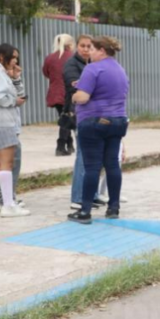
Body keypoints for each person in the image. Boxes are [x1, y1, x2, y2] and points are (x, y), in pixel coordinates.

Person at [68, 36, 130, 225]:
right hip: (118, 121)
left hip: (94, 122)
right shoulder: (120, 70)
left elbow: (84, 97)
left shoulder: (92, 68)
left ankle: (85, 211)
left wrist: (74, 96)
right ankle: (113, 208)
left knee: (92, 167)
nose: (89, 52)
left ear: (102, 50)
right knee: (112, 165)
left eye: (92, 49)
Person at [0, 44, 30, 218]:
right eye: (13, 56)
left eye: (17, 57)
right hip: (1, 122)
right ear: (2, 56)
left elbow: (19, 94)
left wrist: (16, 78)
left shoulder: (0, 71)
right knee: (7, 163)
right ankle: (8, 205)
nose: (15, 60)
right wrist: (12, 101)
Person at [64, 35, 93, 210]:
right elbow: (76, 86)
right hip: (77, 113)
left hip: (93, 113)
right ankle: (77, 196)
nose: (85, 49)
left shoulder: (93, 64)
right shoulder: (71, 64)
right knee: (82, 155)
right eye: (82, 46)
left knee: (92, 156)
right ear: (77, 46)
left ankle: (92, 194)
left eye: (89, 46)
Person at [43, 34, 75, 156]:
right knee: (67, 118)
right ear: (70, 44)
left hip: (55, 93)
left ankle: (70, 143)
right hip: (68, 93)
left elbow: (46, 73)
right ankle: (60, 146)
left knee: (65, 117)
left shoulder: (49, 58)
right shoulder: (73, 57)